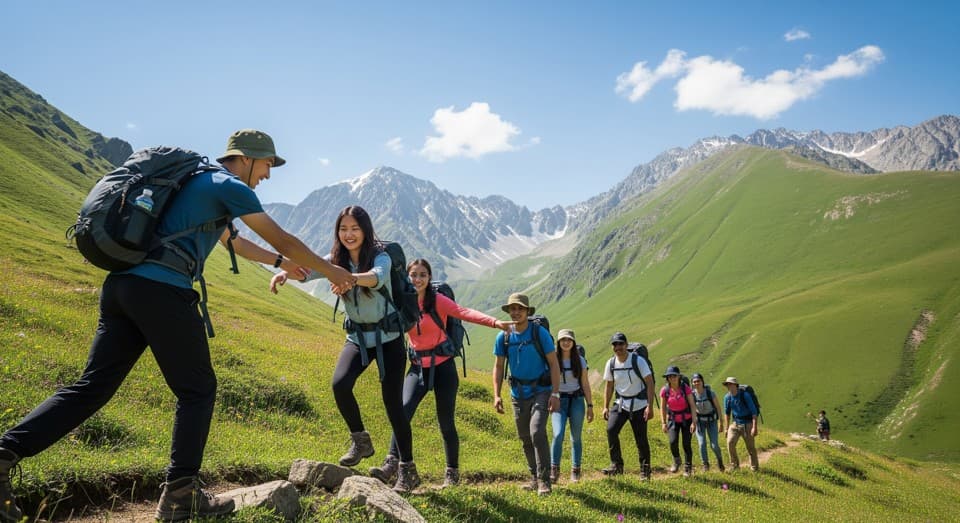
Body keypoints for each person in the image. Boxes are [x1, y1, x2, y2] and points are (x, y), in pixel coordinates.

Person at [0, 129, 358, 522]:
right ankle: (181, 494)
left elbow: (232, 242)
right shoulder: (228, 185)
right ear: (247, 158)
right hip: (163, 291)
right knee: (198, 388)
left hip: (123, 287)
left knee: (92, 387)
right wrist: (335, 271)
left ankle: (4, 454)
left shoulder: (194, 180)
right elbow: (284, 238)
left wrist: (278, 264)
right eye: (268, 164)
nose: (268, 175)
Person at [270, 206, 420, 492]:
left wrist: (345, 278)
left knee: (393, 405)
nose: (349, 234)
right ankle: (360, 441)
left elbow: (376, 277)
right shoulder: (335, 259)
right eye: (343, 229)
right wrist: (285, 276)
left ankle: (407, 469)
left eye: (355, 228)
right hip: (359, 339)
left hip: (388, 339)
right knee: (340, 384)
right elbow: (308, 270)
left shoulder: (381, 256)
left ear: (365, 230)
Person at [369, 259, 513, 488]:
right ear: (407, 277)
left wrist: (495, 322)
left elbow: (464, 312)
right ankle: (391, 464)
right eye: (413, 275)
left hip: (443, 367)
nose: (417, 279)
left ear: (429, 278)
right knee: (402, 413)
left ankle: (452, 474)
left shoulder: (437, 300)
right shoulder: (401, 300)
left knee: (446, 422)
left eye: (422, 275)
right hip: (417, 367)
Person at [492, 293, 561, 496]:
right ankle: (534, 476)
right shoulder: (503, 336)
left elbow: (554, 363)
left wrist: (555, 393)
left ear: (527, 311)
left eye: (520, 309)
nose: (515, 312)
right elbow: (498, 366)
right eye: (512, 309)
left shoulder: (539, 333)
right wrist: (496, 395)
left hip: (541, 390)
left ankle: (544, 480)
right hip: (517, 393)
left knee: (536, 431)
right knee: (524, 437)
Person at [601, 332, 655, 481]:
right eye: (615, 344)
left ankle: (645, 471)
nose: (618, 347)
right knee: (611, 430)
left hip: (639, 404)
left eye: (620, 344)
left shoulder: (638, 361)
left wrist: (649, 406)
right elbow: (609, 385)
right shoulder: (611, 363)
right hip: (621, 404)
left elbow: (650, 383)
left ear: (626, 345)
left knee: (641, 439)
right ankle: (616, 465)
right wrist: (605, 406)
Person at [549, 329, 594, 484]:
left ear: (573, 342)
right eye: (563, 340)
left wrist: (590, 405)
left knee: (576, 437)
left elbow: (585, 384)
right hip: (559, 400)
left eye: (569, 340)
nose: (566, 342)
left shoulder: (580, 360)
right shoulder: (553, 358)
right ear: (558, 342)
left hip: (576, 400)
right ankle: (554, 469)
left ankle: (576, 470)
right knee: (558, 433)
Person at [660, 366, 698, 476]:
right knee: (672, 442)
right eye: (670, 376)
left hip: (687, 419)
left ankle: (688, 468)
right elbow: (662, 408)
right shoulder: (665, 391)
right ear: (667, 378)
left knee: (686, 444)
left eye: (674, 376)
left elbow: (692, 405)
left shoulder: (685, 388)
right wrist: (663, 422)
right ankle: (677, 460)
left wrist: (694, 422)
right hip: (672, 420)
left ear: (678, 377)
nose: (672, 378)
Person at [722, 376, 759, 472]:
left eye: (730, 384)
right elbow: (727, 414)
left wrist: (754, 427)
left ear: (736, 385)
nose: (728, 386)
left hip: (747, 423)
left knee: (750, 447)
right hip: (735, 423)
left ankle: (754, 467)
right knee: (730, 443)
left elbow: (754, 412)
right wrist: (726, 429)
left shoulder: (745, 395)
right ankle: (734, 465)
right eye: (727, 384)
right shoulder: (727, 397)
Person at [691, 373, 725, 472]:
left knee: (714, 445)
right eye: (694, 382)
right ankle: (705, 465)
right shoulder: (692, 395)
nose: (696, 383)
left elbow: (718, 408)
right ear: (692, 383)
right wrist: (693, 423)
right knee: (701, 444)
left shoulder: (710, 393)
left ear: (702, 381)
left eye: (698, 381)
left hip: (712, 421)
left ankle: (720, 461)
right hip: (700, 423)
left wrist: (721, 423)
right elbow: (692, 409)